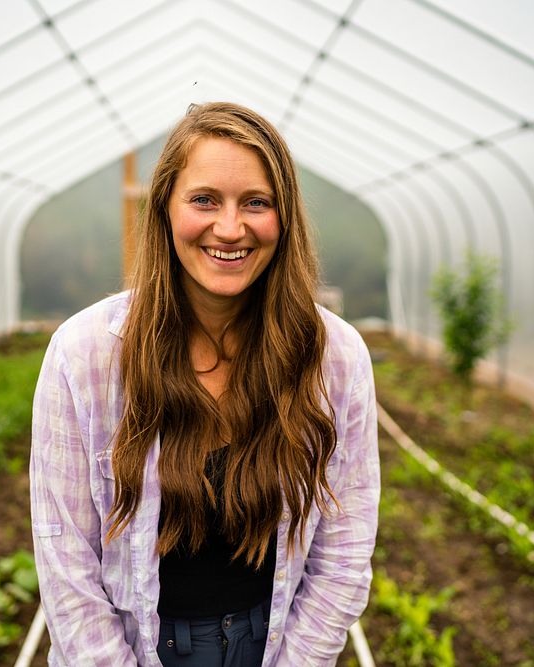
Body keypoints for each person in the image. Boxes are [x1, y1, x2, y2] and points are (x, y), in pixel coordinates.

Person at [30, 101, 379, 666]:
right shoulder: (86, 354)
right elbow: (65, 557)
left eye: (256, 203)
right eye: (204, 200)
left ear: (284, 216)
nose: (230, 228)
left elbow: (345, 544)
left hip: (271, 643)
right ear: (166, 208)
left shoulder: (333, 356)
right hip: (136, 648)